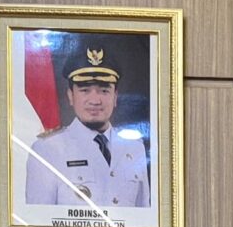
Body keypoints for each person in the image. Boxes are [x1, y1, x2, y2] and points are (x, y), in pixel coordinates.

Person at [23, 43, 153, 210]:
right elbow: (38, 219)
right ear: (71, 96)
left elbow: (143, 217)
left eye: (104, 91)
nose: (95, 100)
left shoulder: (134, 148)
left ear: (115, 96)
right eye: (85, 90)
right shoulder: (47, 150)